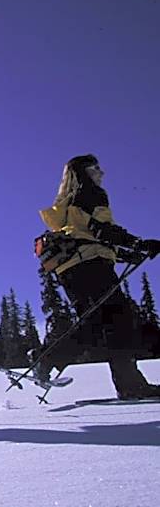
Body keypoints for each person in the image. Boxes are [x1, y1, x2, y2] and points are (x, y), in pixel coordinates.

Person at [36, 154, 160, 399]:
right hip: (89, 265)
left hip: (71, 268)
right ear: (84, 173)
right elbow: (100, 230)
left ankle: (47, 359)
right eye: (96, 168)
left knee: (95, 324)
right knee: (120, 318)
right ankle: (130, 385)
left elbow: (84, 234)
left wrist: (123, 254)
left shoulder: (68, 202)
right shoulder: (91, 193)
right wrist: (138, 243)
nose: (101, 173)